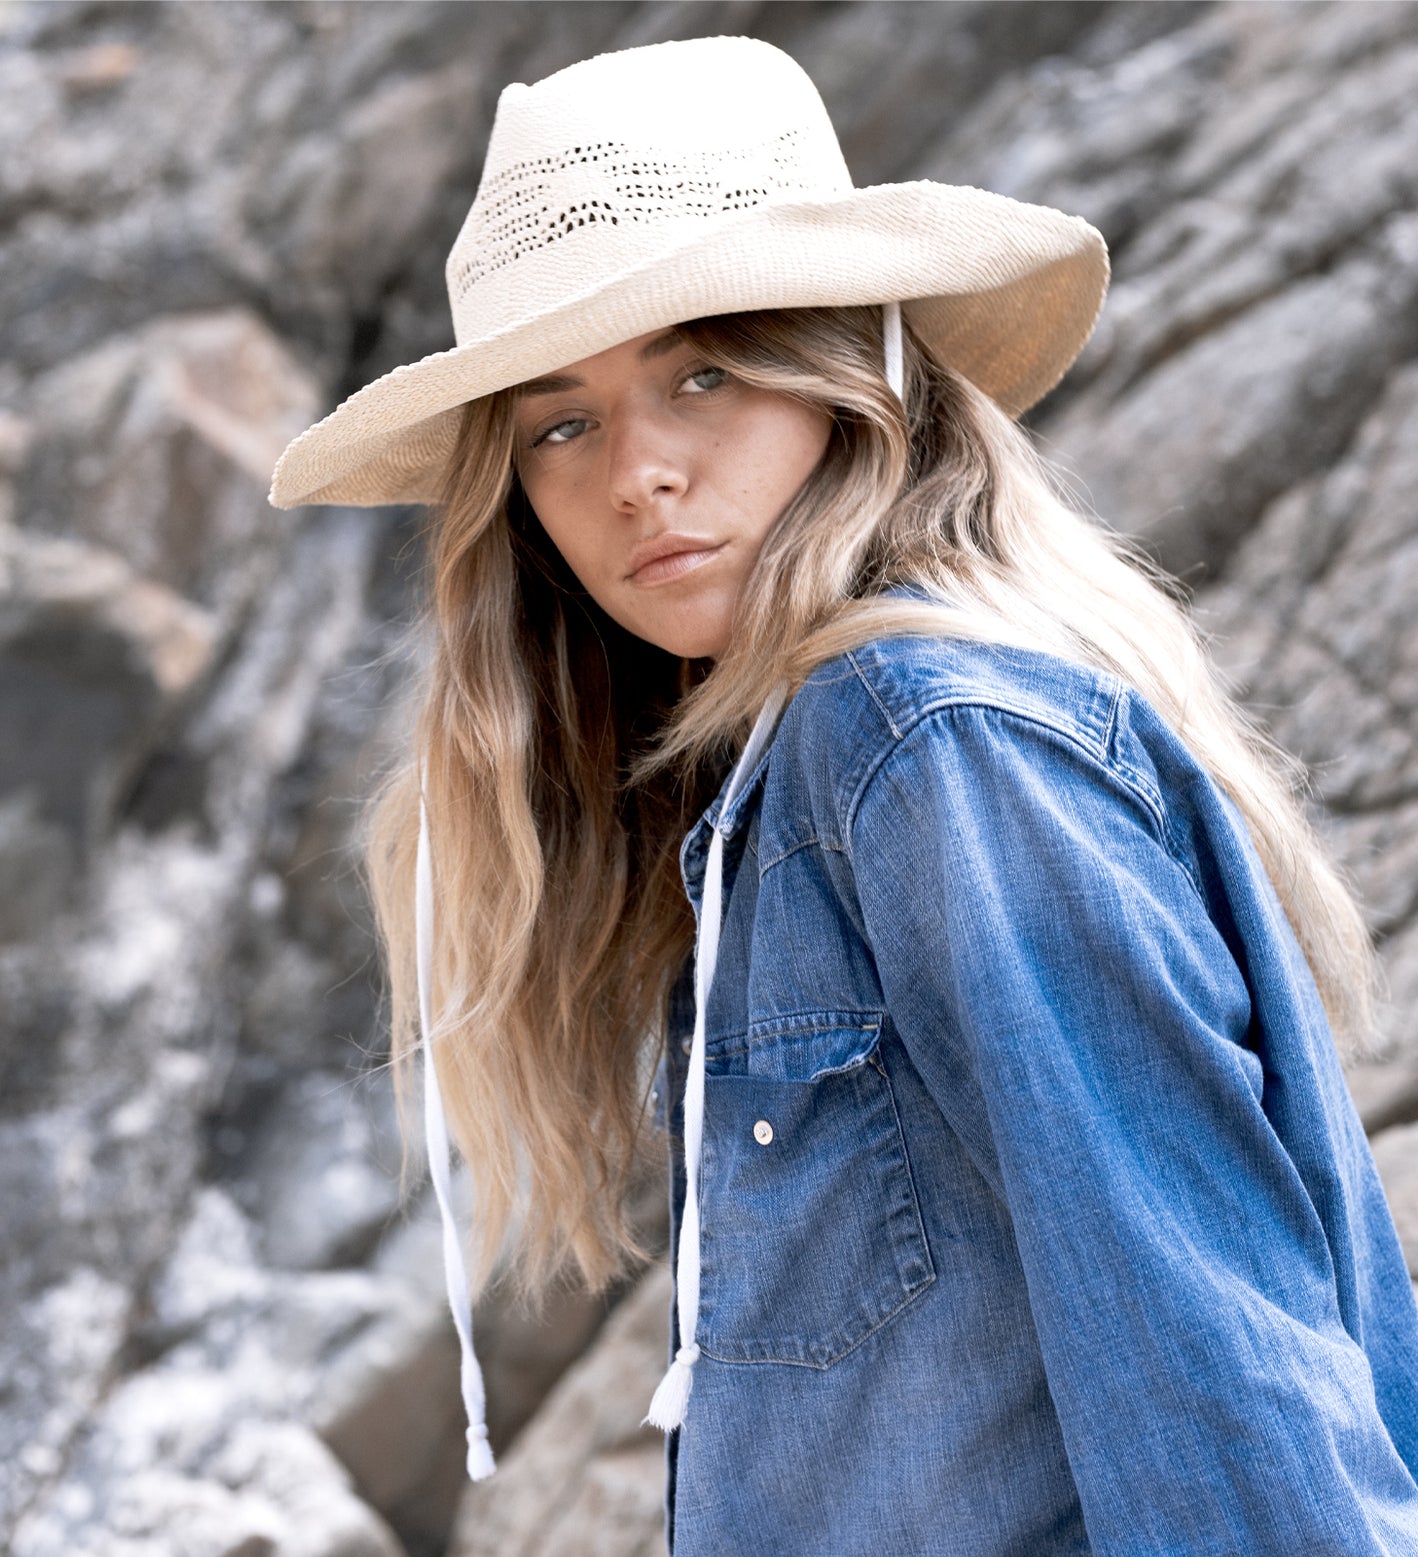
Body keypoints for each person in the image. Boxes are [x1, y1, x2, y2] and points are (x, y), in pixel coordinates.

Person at [268, 35, 1418, 1555]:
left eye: (703, 370)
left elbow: (1215, 1372)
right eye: (560, 423)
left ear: (846, 374)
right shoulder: (799, 776)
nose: (635, 474)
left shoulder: (931, 746)